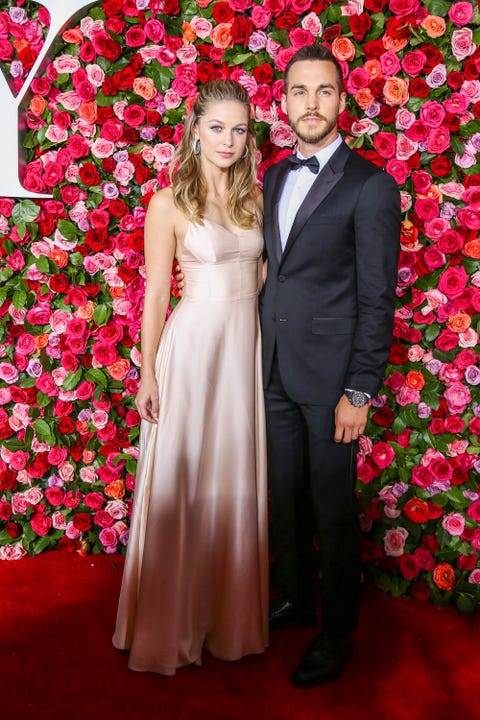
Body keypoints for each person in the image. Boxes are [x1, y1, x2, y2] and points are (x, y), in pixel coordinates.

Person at [112, 80, 269, 675]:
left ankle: (226, 622)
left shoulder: (255, 197)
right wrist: (147, 372)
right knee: (186, 474)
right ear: (194, 128)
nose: (228, 140)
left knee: (232, 477)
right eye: (216, 127)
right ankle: (171, 623)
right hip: (194, 346)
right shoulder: (167, 203)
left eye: (239, 129)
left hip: (242, 351)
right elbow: (155, 295)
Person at [261, 44, 401, 687]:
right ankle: (292, 599)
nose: (309, 104)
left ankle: (337, 631)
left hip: (331, 381)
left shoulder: (371, 185)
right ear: (284, 101)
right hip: (273, 370)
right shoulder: (271, 175)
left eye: (323, 92)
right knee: (283, 498)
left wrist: (359, 389)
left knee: (333, 508)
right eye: (298, 91)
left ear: (342, 103)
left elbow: (377, 296)